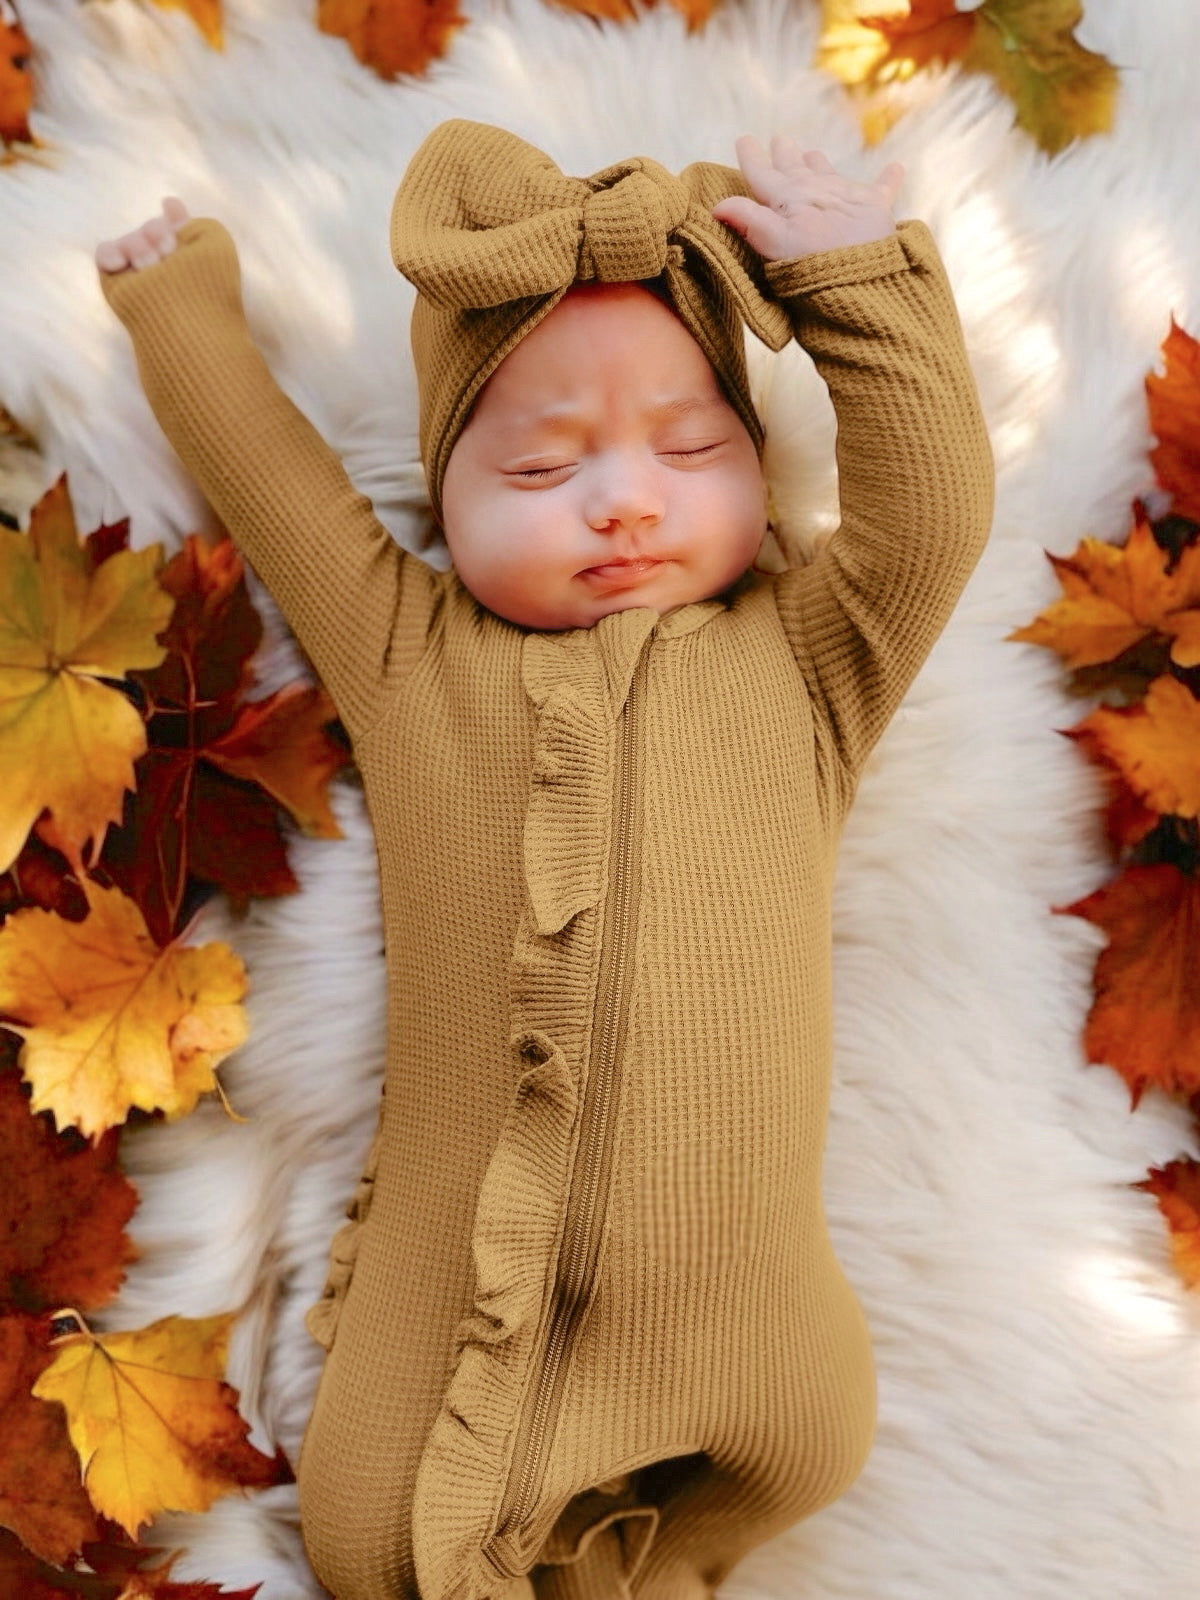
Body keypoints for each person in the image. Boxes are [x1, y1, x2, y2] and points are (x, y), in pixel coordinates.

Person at [95, 120, 994, 1600]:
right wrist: (178, 309)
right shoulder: (410, 654)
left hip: (754, 1336)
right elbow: (275, 486)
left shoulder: (811, 661)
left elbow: (935, 510)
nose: (625, 498)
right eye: (541, 465)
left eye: (692, 447)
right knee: (372, 1535)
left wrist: (852, 281)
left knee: (801, 1448)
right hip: (458, 1316)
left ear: (755, 470)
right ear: (444, 508)